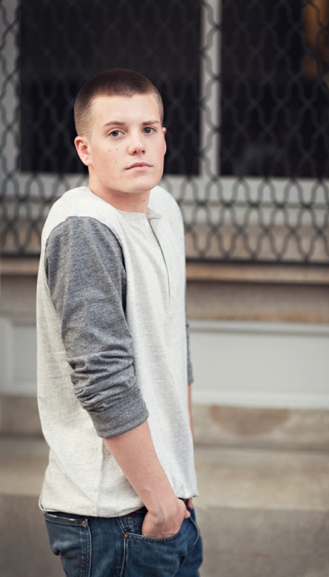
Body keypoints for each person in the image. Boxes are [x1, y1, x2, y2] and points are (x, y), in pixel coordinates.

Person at [36, 69, 201, 576]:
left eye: (148, 129)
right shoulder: (84, 229)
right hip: (112, 518)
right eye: (116, 133)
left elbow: (177, 349)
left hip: (164, 501)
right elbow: (104, 380)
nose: (137, 146)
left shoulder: (163, 209)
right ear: (84, 149)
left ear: (165, 138)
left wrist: (182, 485)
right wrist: (160, 501)